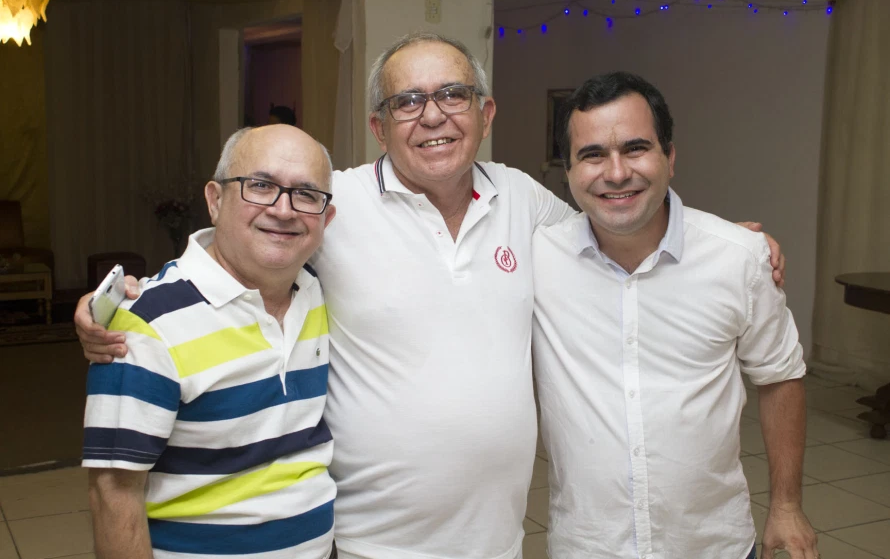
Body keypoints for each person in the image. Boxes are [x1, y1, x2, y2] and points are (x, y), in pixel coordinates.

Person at [75, 34, 786, 559]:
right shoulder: (334, 203)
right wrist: (129, 301)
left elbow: (616, 215)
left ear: (486, 111)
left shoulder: (524, 201)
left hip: (500, 538)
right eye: (407, 101)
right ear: (379, 126)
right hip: (365, 540)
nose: (433, 115)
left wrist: (728, 240)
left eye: (452, 94)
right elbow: (249, 236)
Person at [532, 72, 817, 559]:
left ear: (670, 157)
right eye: (593, 154)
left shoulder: (738, 258)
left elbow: (781, 376)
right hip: (588, 545)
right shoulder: (535, 259)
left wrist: (787, 506)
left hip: (713, 545)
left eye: (636, 148)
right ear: (569, 169)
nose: (616, 173)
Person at [83, 125, 339, 559]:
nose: (283, 210)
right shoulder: (146, 324)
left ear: (326, 218)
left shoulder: (317, 291)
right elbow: (113, 493)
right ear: (215, 200)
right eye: (260, 186)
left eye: (306, 194)